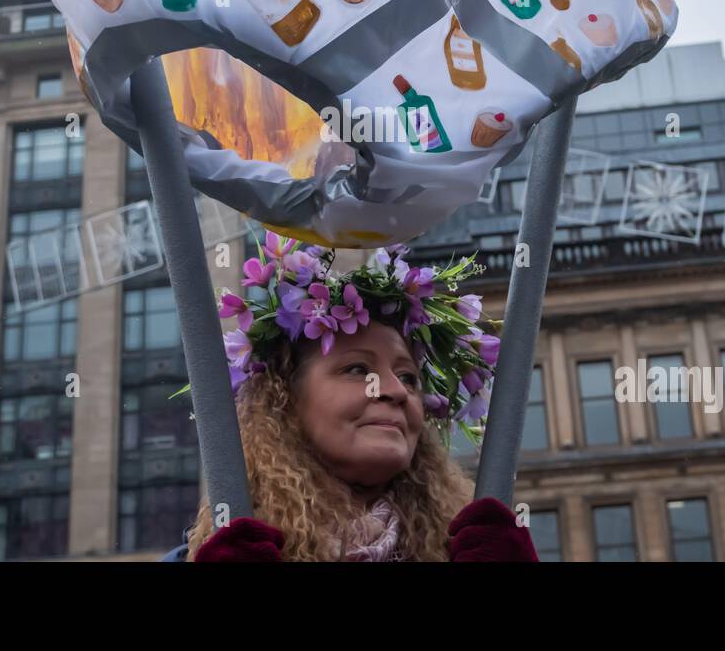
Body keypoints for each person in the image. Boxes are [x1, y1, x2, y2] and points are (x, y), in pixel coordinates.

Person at [157, 233, 539, 562]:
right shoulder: (202, 556)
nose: (394, 391)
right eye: (357, 370)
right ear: (284, 399)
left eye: (408, 377)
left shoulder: (472, 547)